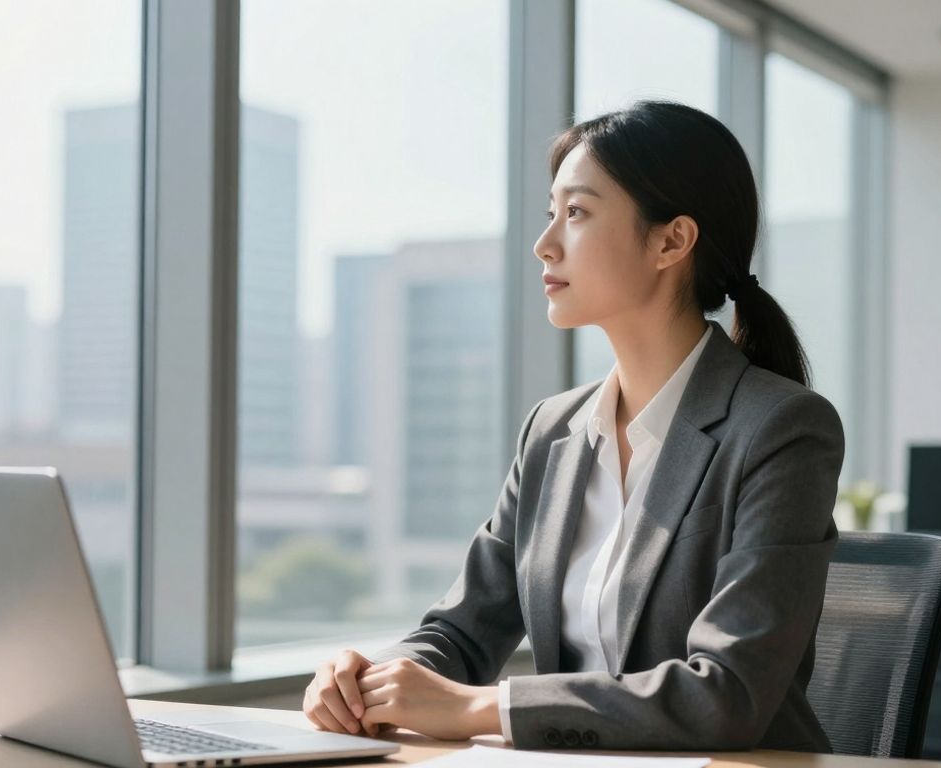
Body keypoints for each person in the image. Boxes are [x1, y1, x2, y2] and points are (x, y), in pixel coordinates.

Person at [302, 100, 844, 751]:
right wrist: (371, 679)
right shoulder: (552, 431)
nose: (545, 242)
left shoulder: (781, 429)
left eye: (578, 213)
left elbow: (726, 694)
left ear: (671, 240)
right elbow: (462, 633)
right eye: (550, 212)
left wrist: (484, 708)